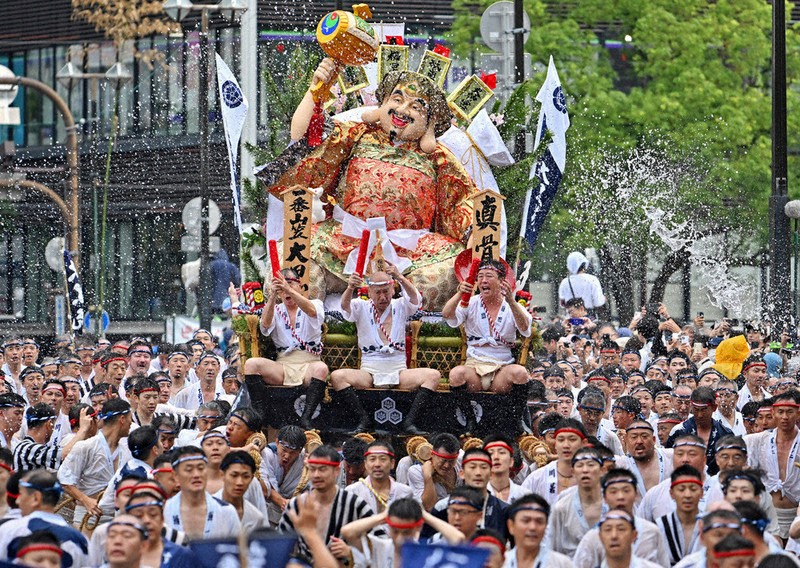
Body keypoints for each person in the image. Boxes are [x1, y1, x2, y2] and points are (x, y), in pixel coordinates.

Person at [264, 59, 477, 306]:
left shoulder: (438, 157)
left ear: (430, 121)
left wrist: (472, 231)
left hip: (412, 250)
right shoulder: (357, 134)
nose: (403, 110)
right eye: (397, 100)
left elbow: (464, 200)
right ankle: (305, 330)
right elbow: (304, 137)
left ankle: (398, 317)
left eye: (416, 107)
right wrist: (316, 90)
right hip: (340, 240)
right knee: (292, 264)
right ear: (383, 103)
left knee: (446, 274)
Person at [331, 265, 440, 433]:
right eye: (378, 292)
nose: (383, 297)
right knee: (338, 377)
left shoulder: (400, 305)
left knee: (433, 376)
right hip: (369, 371)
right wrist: (350, 287)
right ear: (369, 292)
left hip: (398, 369)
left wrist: (400, 277)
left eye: (386, 292)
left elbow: (415, 299)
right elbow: (345, 308)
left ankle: (409, 422)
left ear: (392, 290)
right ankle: (363, 420)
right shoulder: (361, 306)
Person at [443, 259, 532, 435]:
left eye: (489, 276)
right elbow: (448, 315)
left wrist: (512, 302)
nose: (483, 281)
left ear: (501, 281)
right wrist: (459, 294)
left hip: (501, 369)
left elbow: (525, 329)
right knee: (456, 375)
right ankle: (470, 422)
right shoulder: (471, 302)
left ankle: (517, 421)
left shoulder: (510, 305)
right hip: (475, 366)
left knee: (521, 373)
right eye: (480, 277)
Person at [244, 268, 329, 430]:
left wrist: (288, 288)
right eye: (282, 287)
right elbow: (265, 327)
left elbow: (311, 312)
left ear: (300, 286)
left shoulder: (315, 304)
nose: (286, 290)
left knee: (321, 368)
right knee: (251, 364)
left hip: (309, 363)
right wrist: (272, 297)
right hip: (283, 365)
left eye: (290, 284)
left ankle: (306, 418)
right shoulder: (276, 309)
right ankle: (259, 413)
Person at [278, 445, 374, 564]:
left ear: (336, 471)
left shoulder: (355, 504)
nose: (316, 475)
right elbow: (280, 548)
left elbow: (380, 544)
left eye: (322, 469)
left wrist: (351, 553)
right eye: (312, 469)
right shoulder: (296, 505)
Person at [573, 468, 670, 568]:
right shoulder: (593, 537)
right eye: (613, 492)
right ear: (605, 497)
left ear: (635, 494)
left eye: (626, 490)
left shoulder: (651, 531)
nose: (620, 497)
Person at [59, 398, 132, 528]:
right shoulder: (86, 446)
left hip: (116, 518)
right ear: (122, 420)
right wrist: (85, 500)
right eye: (129, 419)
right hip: (88, 518)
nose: (131, 423)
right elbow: (64, 479)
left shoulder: (126, 449)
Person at [341, 497, 464, 568]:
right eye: (395, 531)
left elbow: (459, 539)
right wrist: (383, 516)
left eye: (406, 532)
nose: (400, 539)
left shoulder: (428, 552)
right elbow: (348, 531)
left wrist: (425, 516)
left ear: (418, 527)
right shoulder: (380, 547)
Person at [0, 470, 89, 567]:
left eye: (21, 494)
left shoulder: (11, 529)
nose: (17, 501)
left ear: (36, 498)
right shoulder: (81, 539)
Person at [747, 390, 800, 543]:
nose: (785, 417)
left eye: (790, 412)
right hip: (768, 513)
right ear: (773, 413)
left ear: (798, 413)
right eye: (780, 412)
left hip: (796, 515)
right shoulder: (757, 441)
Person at [163, 446, 241, 540]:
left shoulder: (226, 511)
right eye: (189, 469)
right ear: (175, 476)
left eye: (201, 468)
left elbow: (239, 551)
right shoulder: (164, 511)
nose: (196, 475)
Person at [429, 448, 508, 536]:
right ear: (462, 473)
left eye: (483, 467)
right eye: (472, 467)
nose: (478, 473)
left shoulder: (504, 510)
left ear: (491, 474)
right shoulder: (442, 507)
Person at [638, 434, 710, 522]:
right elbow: (640, 528)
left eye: (692, 454)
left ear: (704, 459)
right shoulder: (656, 493)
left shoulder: (717, 489)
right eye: (680, 454)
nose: (685, 459)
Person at [548, 447, 606, 557]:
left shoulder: (615, 501)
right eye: (580, 465)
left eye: (590, 464)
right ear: (573, 472)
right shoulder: (562, 506)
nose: (585, 470)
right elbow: (552, 547)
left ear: (602, 470)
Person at [666, 386, 733, 475]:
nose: (699, 415)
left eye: (704, 410)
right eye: (696, 410)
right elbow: (668, 461)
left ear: (714, 407)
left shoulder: (725, 434)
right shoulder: (679, 431)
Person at [522, 419, 587, 505]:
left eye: (572, 439)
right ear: (555, 444)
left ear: (584, 443)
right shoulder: (537, 478)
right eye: (561, 440)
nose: (566, 445)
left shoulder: (592, 478)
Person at [345, 440, 415, 515]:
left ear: (392, 463)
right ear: (365, 464)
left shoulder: (405, 492)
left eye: (383, 459)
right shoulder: (352, 492)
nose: (377, 464)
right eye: (372, 459)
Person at [503, 493, 572, 567]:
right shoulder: (500, 563)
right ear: (511, 526)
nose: (533, 527)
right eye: (526, 521)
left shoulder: (561, 564)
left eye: (539, 521)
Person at [655, 465, 704, 565]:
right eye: (681, 489)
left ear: (702, 493)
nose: (687, 495)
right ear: (672, 493)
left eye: (693, 489)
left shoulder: (710, 525)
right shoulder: (659, 526)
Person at [262, 424, 306, 526]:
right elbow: (265, 487)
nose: (287, 456)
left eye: (293, 453)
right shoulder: (267, 454)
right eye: (284, 450)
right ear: (277, 442)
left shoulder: (305, 458)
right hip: (266, 511)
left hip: (296, 514)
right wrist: (283, 503)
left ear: (299, 451)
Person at [616, 419, 674, 496]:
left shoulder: (671, 456)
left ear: (654, 440)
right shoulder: (620, 465)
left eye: (644, 436)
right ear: (626, 440)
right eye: (634, 437)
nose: (639, 441)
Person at [407, 432, 461, 511]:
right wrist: (428, 477)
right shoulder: (416, 471)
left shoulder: (462, 461)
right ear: (432, 454)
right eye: (443, 460)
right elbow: (429, 507)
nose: (446, 465)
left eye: (451, 461)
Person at [216, 450, 266, 533]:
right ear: (222, 475)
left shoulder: (255, 517)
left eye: (245, 476)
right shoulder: (207, 509)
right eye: (234, 475)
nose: (239, 482)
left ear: (251, 478)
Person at [484, 435, 529, 504]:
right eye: (490, 453)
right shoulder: (474, 498)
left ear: (511, 461)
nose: (496, 457)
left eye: (501, 452)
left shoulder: (525, 496)